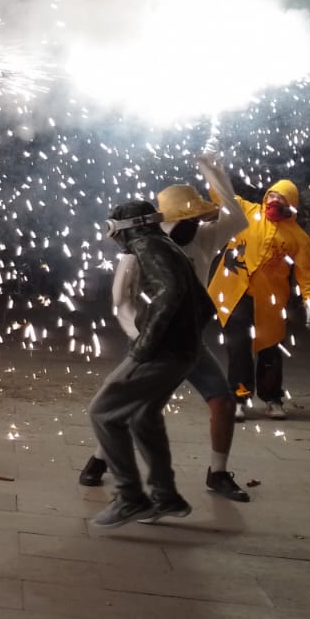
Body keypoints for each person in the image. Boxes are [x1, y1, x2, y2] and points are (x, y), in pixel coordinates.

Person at [82, 154, 251, 500]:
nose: (192, 224)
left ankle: (217, 474)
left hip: (189, 342)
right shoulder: (140, 250)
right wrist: (141, 337)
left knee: (221, 400)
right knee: (133, 405)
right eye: (185, 218)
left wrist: (214, 172)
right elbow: (122, 301)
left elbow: (235, 216)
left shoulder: (203, 239)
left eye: (196, 217)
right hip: (155, 343)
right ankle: (100, 463)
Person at [86, 200, 212, 528]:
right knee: (143, 416)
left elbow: (168, 294)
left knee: (102, 411)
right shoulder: (168, 245)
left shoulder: (145, 245)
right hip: (184, 353)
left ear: (125, 229)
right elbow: (205, 305)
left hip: (161, 354)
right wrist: (186, 336)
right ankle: (165, 496)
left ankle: (130, 498)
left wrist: (147, 344)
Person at [208, 177, 310, 422]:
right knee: (238, 346)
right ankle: (239, 397)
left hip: (272, 301)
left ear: (291, 204)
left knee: (270, 349)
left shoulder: (298, 238)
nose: (274, 201)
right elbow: (221, 196)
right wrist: (212, 170)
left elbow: (307, 276)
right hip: (236, 293)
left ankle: (273, 398)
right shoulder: (247, 212)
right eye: (272, 196)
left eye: (281, 198)